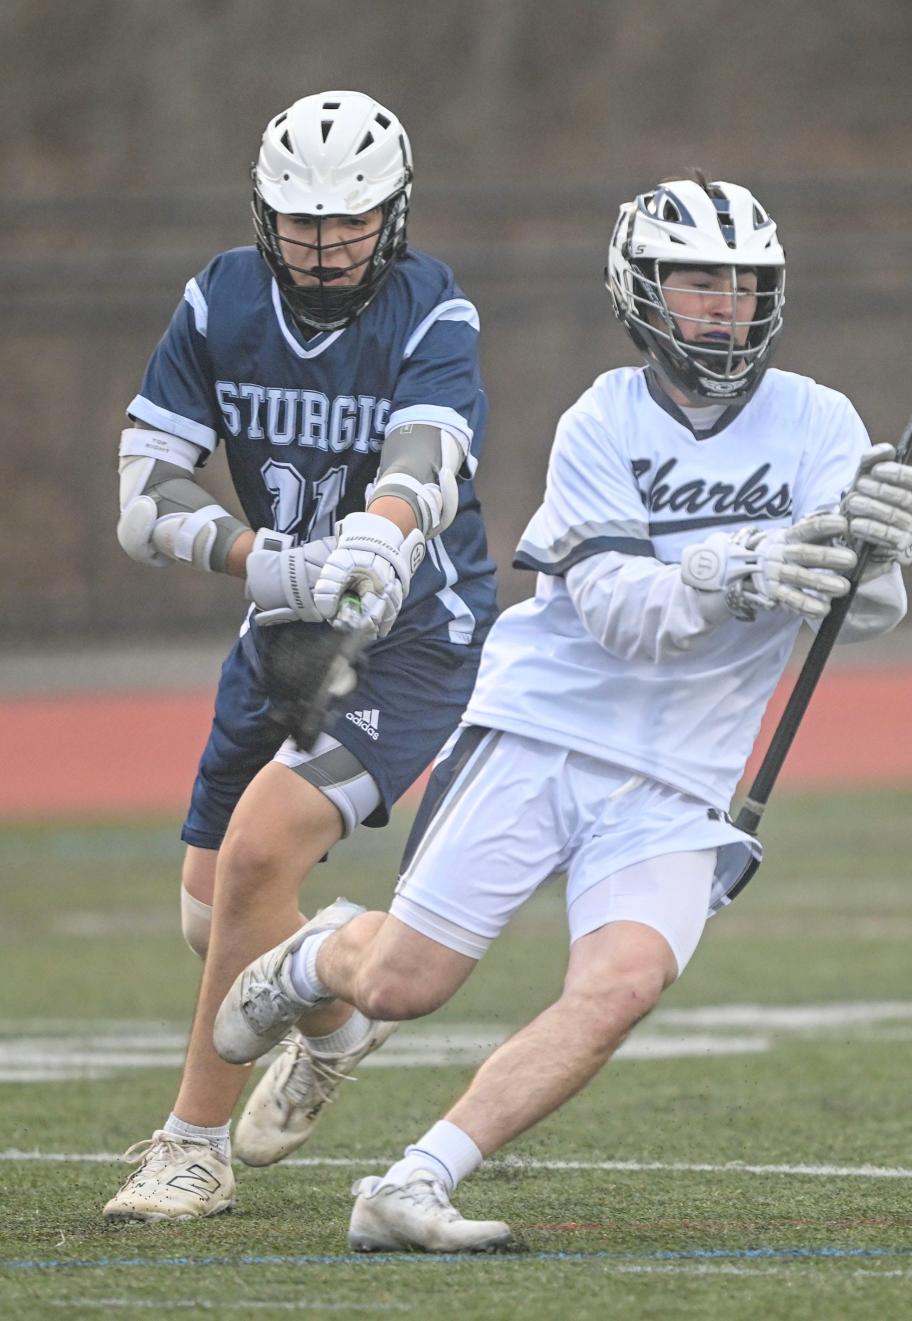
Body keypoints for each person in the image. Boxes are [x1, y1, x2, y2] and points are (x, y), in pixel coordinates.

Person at [213, 173, 912, 1252]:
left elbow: (860, 611)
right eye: (698, 280)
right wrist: (748, 561)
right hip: (544, 731)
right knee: (403, 985)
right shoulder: (602, 416)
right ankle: (313, 960)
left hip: (684, 774)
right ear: (643, 290)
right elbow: (615, 607)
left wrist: (875, 553)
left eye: (744, 283)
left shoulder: (820, 418)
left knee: (623, 983)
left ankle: (411, 1185)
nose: (725, 304)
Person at [102, 90, 497, 1222]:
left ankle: (192, 1147)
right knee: (208, 915)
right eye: (302, 222)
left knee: (257, 857)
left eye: (350, 222)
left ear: (396, 212)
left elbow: (427, 455)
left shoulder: (432, 305)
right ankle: (334, 1011)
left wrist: (377, 534)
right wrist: (267, 563)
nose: (324, 247)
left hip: (414, 631)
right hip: (283, 623)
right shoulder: (220, 298)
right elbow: (142, 498)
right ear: (265, 213)